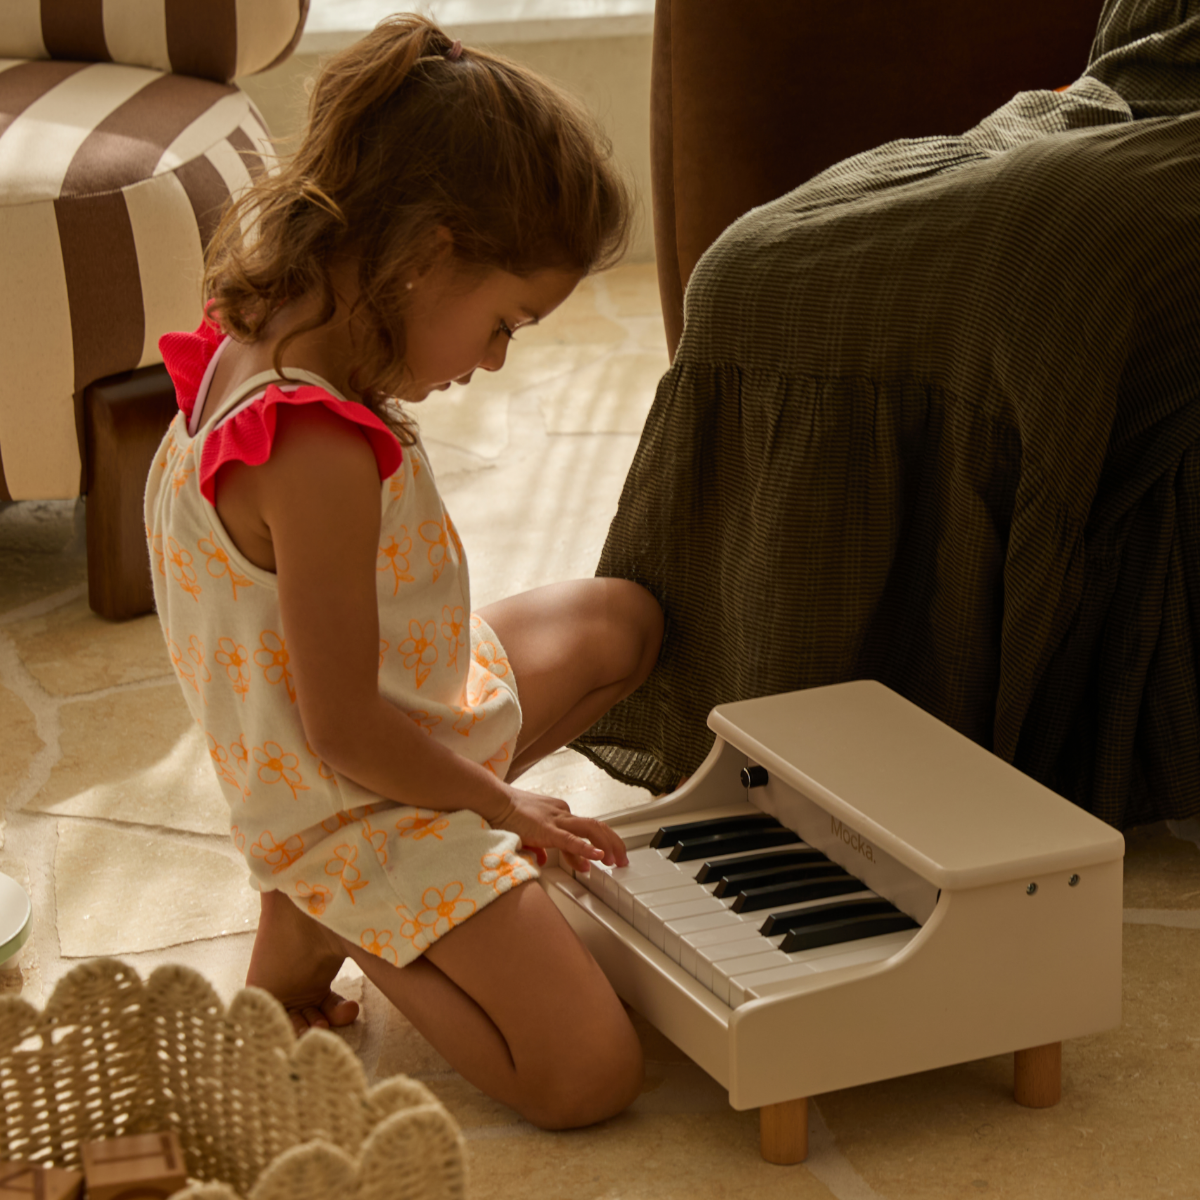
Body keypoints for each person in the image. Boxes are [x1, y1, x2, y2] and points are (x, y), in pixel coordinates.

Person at [145, 16, 662, 1131]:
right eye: (502, 323)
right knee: (588, 1077)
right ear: (428, 255)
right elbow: (342, 730)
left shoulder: (278, 326)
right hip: (350, 793)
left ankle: (328, 907)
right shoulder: (314, 449)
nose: (492, 361)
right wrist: (499, 804)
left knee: (620, 625)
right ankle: (336, 917)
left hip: (397, 716)